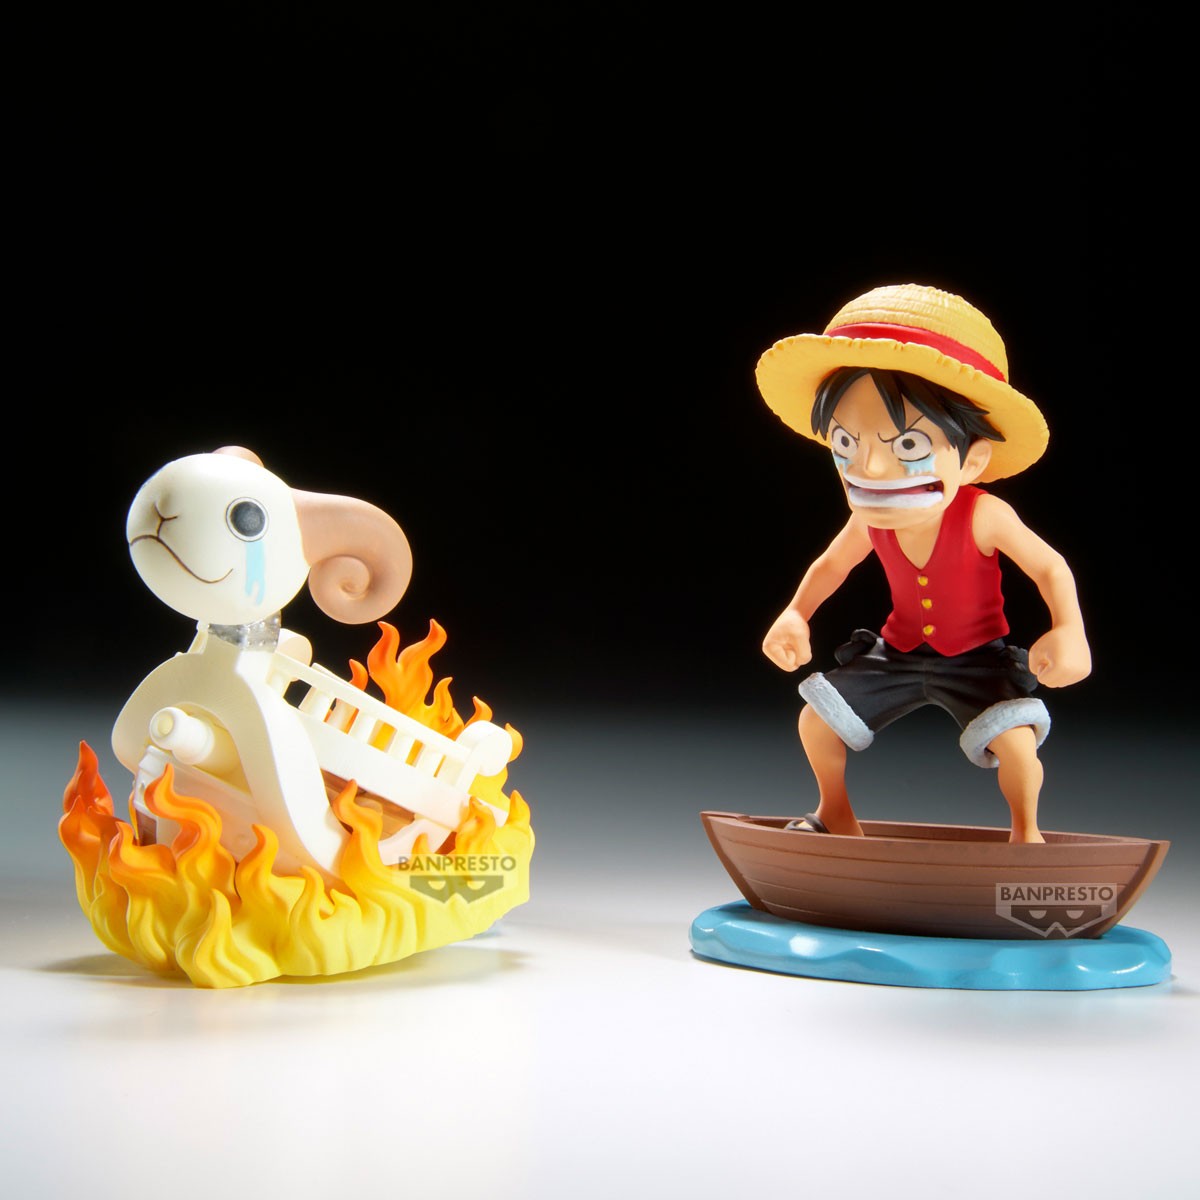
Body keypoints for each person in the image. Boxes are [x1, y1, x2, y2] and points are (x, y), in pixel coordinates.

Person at [757, 284, 1090, 844]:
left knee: (1016, 741)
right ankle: (835, 813)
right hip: (897, 652)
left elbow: (1050, 567)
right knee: (816, 718)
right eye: (846, 443)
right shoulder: (870, 520)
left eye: (908, 446)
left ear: (973, 459)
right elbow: (831, 566)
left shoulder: (983, 514)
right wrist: (795, 613)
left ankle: (1026, 836)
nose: (870, 467)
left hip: (976, 657)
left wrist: (1069, 630)